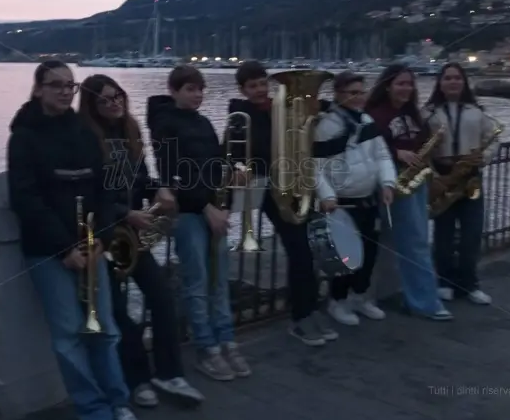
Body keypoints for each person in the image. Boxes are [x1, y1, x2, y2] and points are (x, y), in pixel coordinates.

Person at [6, 61, 136, 420]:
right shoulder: (23, 137)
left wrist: (101, 241)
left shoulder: (83, 132)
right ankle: (93, 409)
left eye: (70, 85)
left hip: (91, 247)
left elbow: (103, 189)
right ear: (37, 90)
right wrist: (65, 249)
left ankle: (118, 401)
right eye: (56, 85)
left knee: (106, 329)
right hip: (49, 254)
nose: (65, 91)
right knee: (69, 336)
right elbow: (26, 200)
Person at [77, 74, 204, 407]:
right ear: (92, 105)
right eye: (105, 99)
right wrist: (126, 213)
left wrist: (158, 189)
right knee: (118, 312)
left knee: (161, 299)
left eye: (117, 95)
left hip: (129, 232)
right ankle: (136, 380)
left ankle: (169, 372)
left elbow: (140, 180)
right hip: (104, 234)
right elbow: (90, 194)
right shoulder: (86, 139)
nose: (114, 102)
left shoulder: (129, 130)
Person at [146, 65, 251, 381]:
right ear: (174, 90)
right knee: (197, 282)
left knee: (218, 281)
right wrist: (206, 206)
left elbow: (214, 165)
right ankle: (207, 348)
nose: (198, 95)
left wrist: (230, 180)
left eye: (200, 89)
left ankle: (226, 339)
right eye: (190, 89)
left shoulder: (203, 122)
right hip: (190, 214)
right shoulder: (164, 125)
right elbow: (173, 176)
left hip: (212, 209)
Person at [227, 61, 337, 346]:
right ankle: (301, 317)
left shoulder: (284, 107)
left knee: (309, 248)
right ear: (242, 89)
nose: (260, 90)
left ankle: (309, 310)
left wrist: (316, 111)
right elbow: (229, 153)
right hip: (270, 189)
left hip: (296, 181)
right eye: (253, 86)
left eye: (263, 83)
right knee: (299, 250)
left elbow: (307, 137)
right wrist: (239, 167)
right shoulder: (240, 117)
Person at [365, 64, 452, 321]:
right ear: (387, 85)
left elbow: (422, 144)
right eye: (401, 83)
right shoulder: (375, 114)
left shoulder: (412, 113)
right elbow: (368, 147)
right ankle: (426, 302)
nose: (406, 88)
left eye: (409, 84)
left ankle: (419, 293)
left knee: (417, 241)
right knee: (415, 244)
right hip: (395, 183)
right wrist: (396, 152)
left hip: (416, 181)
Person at [314, 70, 397, 326]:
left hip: (368, 200)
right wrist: (327, 195)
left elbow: (382, 155)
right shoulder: (325, 126)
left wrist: (387, 182)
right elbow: (314, 166)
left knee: (369, 253)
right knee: (345, 257)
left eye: (362, 92)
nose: (359, 97)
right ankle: (337, 302)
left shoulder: (367, 120)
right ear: (338, 95)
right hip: (342, 201)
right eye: (353, 93)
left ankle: (360, 297)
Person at [423, 62, 498, 306]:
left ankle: (470, 284)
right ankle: (444, 282)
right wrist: (433, 173)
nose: (453, 82)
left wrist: (484, 158)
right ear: (440, 83)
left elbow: (494, 137)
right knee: (443, 234)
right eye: (448, 78)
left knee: (472, 233)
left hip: (470, 176)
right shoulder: (428, 112)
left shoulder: (476, 111)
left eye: (457, 78)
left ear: (464, 82)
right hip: (443, 176)